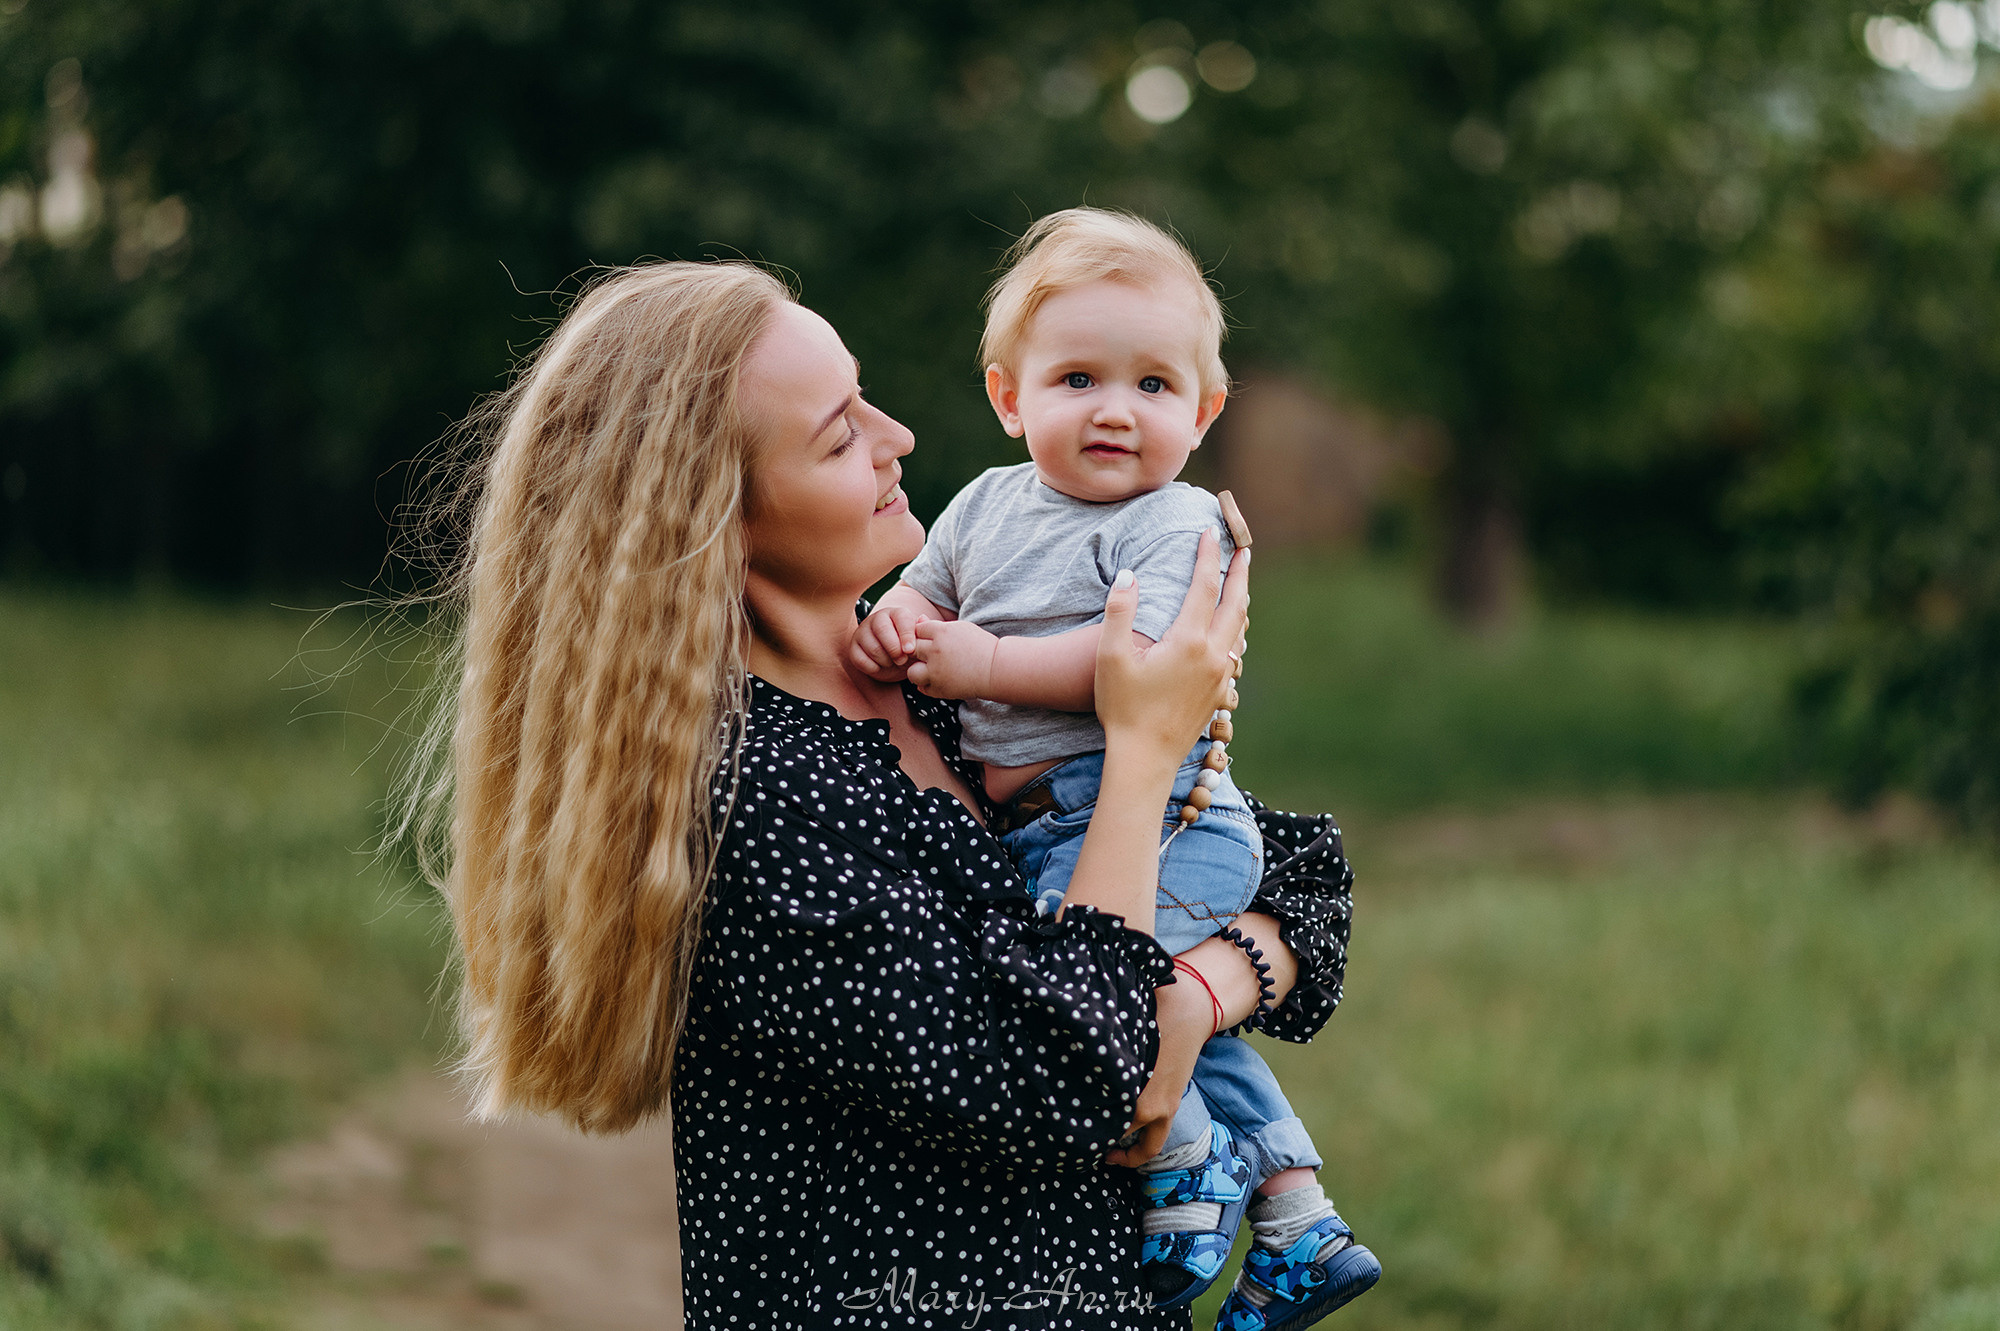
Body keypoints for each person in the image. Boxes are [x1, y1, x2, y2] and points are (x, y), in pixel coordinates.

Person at [403, 259, 1358, 1329]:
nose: (895, 432)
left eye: (864, 395)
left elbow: (1302, 879)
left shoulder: (940, 689)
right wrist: (1139, 749)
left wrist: (1188, 997)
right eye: (836, 431)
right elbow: (1062, 1080)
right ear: (713, 512)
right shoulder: (755, 800)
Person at [849, 209, 1377, 1329]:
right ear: (1007, 396)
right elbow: (921, 592)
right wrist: (891, 627)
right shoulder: (984, 502)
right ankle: (1295, 1211)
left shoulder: (1178, 520)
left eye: (1151, 385)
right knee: (1153, 993)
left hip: (1167, 818)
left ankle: (1186, 1160)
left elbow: (1139, 669)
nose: (1113, 409)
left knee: (1080, 977)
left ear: (1202, 411)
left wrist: (979, 660)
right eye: (1078, 376)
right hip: (1050, 823)